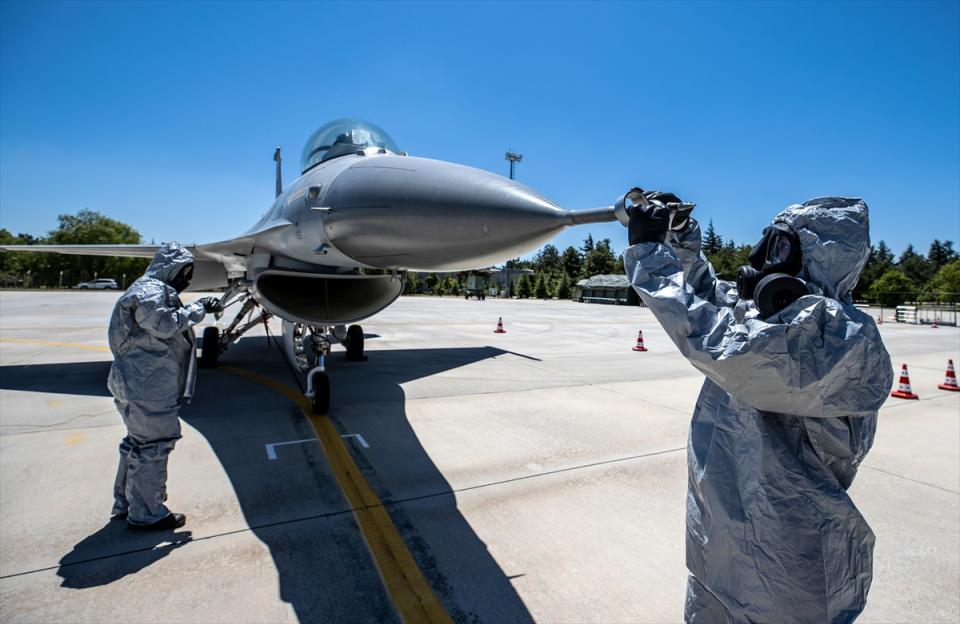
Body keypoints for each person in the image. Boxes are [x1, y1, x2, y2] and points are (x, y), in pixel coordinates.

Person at [622, 192, 893, 623]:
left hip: (784, 571)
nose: (759, 257)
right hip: (720, 548)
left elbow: (720, 343)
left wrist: (649, 255)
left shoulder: (838, 337)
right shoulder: (774, 321)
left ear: (820, 260)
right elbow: (708, 296)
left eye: (779, 247)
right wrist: (680, 238)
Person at [107, 242, 221, 530]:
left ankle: (126, 503)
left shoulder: (149, 289)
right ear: (172, 269)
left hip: (138, 381)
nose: (188, 279)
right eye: (186, 272)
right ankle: (147, 513)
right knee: (153, 447)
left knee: (137, 444)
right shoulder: (151, 291)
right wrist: (198, 308)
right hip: (147, 385)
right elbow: (164, 324)